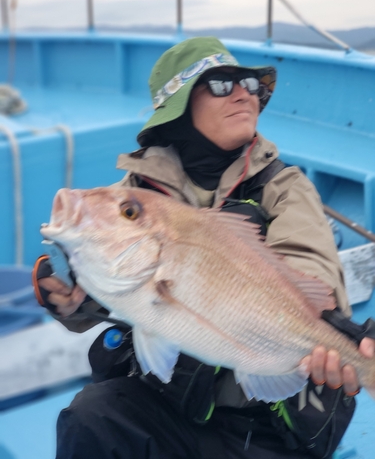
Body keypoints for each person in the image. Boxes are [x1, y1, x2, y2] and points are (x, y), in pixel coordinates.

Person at [34, 37, 374, 459]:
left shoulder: (285, 187)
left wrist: (342, 344)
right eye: (219, 85)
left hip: (263, 418)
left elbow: (312, 277)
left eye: (250, 83)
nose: (243, 93)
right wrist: (72, 304)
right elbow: (120, 289)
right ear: (178, 108)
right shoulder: (136, 193)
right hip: (169, 402)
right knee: (90, 417)